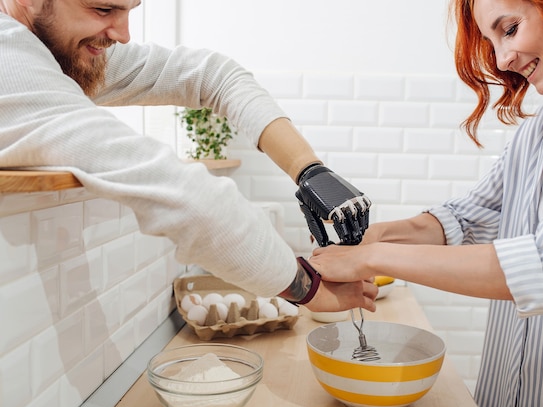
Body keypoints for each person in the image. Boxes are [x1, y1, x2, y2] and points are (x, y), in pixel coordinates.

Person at [309, 0, 543, 407]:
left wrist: (374, 257)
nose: (502, 59)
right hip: (505, 398)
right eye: (491, 41)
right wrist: (378, 235)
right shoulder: (540, 131)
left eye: (509, 29)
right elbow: (469, 217)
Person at [0, 0, 377, 312]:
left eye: (130, 10)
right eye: (102, 9)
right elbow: (184, 198)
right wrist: (307, 289)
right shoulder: (9, 59)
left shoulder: (58, 50)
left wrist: (310, 171)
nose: (124, 33)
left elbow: (212, 75)